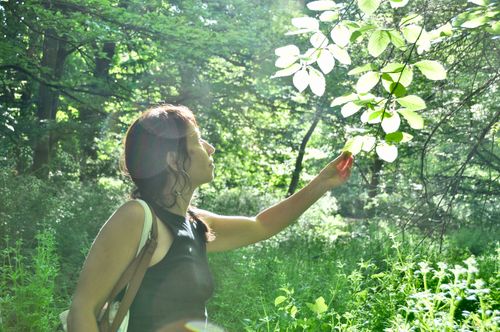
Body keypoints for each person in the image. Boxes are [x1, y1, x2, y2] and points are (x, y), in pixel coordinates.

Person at [67, 104, 354, 331]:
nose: (210, 148)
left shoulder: (194, 223)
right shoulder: (136, 218)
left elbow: (262, 225)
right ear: (173, 159)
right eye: (196, 140)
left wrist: (322, 183)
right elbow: (83, 309)